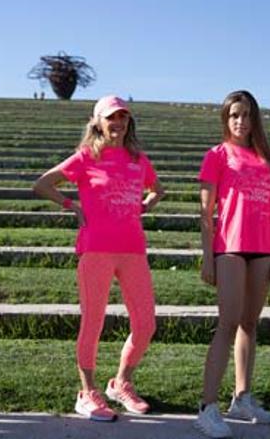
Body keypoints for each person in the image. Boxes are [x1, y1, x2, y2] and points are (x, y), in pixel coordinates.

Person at [33, 95, 164, 422]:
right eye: (111, 118)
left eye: (123, 118)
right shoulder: (84, 158)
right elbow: (43, 184)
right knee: (93, 322)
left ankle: (121, 382)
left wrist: (145, 206)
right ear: (98, 123)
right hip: (95, 250)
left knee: (146, 325)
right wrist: (72, 206)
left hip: (133, 250)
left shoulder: (138, 159)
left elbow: (157, 190)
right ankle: (87, 392)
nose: (118, 123)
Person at [194, 90, 270, 439]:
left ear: (255, 118)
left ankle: (242, 398)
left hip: (263, 249)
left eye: (246, 115)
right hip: (230, 248)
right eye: (234, 114)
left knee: (250, 322)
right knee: (228, 323)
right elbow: (205, 213)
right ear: (226, 118)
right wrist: (207, 257)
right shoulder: (216, 156)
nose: (241, 121)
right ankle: (206, 408)